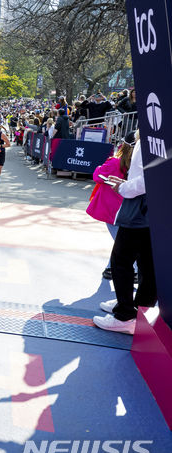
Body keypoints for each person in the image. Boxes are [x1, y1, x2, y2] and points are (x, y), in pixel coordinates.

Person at [93, 135, 157, 334]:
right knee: (146, 262)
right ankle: (134, 308)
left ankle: (126, 314)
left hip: (141, 208)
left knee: (122, 259)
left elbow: (149, 176)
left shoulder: (154, 133)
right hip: (147, 207)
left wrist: (125, 187)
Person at [86, 133, 133, 280]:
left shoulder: (114, 163)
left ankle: (117, 269)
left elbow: (97, 175)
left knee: (122, 243)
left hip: (112, 209)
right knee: (122, 241)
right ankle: (111, 269)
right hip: (128, 209)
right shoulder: (137, 165)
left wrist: (101, 167)